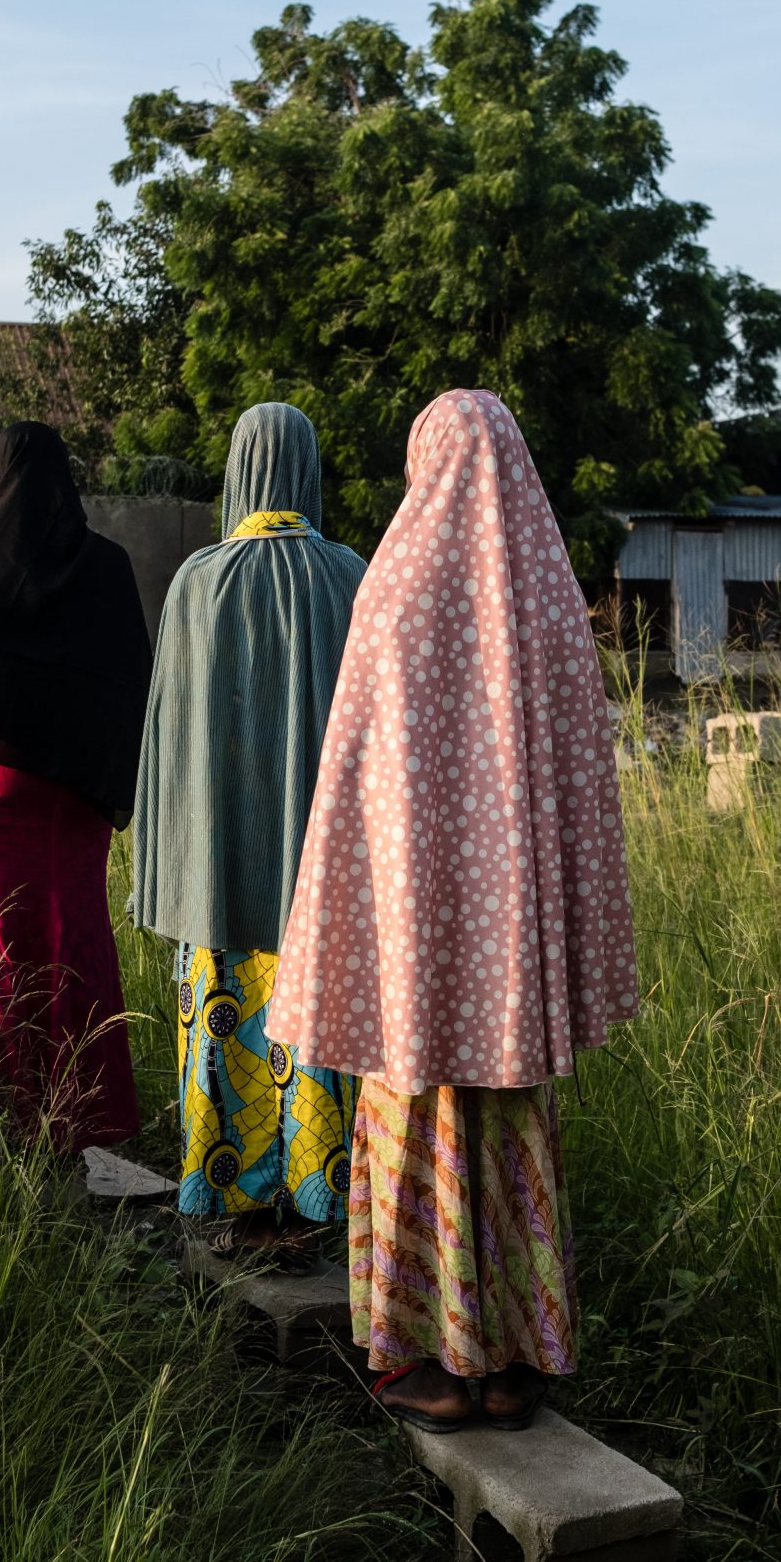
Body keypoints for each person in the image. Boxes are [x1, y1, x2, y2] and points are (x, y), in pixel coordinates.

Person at [267, 389, 639, 1433]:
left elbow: (353, 788)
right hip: (509, 967)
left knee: (415, 1134)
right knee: (511, 1132)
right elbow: (580, 792)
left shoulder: (392, 591)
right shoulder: (553, 604)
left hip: (415, 963)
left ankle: (436, 1363)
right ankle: (517, 1364)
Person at [131, 403, 368, 1256]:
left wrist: (164, 856)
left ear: (236, 469)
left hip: (220, 862)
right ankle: (320, 1189)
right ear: (308, 468)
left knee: (226, 1021)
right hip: (324, 866)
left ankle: (229, 1189)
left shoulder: (197, 580)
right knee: (320, 1029)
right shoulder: (350, 574)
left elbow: (168, 739)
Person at [0, 421, 153, 1152]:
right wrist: (114, 792)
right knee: (75, 946)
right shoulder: (109, 569)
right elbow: (134, 687)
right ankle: (90, 1120)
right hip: (77, 807)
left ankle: (1, 1122)